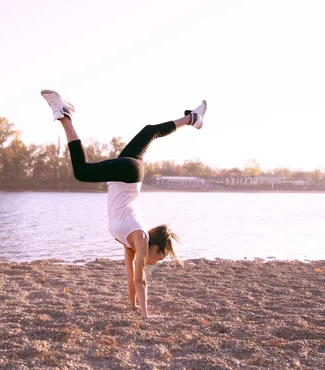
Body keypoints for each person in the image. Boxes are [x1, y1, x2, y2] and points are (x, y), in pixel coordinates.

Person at [41, 90, 207, 319]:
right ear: (155, 249)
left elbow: (131, 277)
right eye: (158, 259)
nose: (153, 263)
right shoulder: (140, 239)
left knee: (151, 131)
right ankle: (64, 115)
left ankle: (193, 119)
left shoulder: (129, 243)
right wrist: (146, 315)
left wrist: (133, 306)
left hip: (125, 175)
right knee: (82, 171)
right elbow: (141, 281)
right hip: (128, 175)